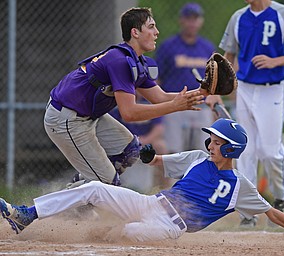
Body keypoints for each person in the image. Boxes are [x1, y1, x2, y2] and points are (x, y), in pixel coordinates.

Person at [1, 118, 284, 247]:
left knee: (127, 234)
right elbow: (157, 162)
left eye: (217, 142)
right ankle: (27, 214)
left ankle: (105, 234)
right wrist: (148, 153)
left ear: (232, 149)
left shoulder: (239, 186)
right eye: (211, 139)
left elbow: (272, 214)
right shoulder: (197, 157)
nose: (210, 144)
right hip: (152, 203)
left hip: (170, 228)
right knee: (94, 189)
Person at [43, 7, 204, 187]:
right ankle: (40, 211)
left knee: (130, 151)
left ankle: (84, 186)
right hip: (66, 118)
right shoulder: (120, 61)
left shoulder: (137, 61)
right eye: (151, 27)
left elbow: (160, 96)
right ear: (135, 32)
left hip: (88, 116)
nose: (156, 32)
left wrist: (204, 92)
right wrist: (176, 106)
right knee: (107, 182)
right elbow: (129, 113)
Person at [219, 0, 284, 226]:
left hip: (273, 89)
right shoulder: (238, 17)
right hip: (245, 88)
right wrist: (217, 89)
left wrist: (275, 61)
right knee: (244, 150)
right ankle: (248, 211)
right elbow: (228, 55)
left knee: (269, 151)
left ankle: (281, 195)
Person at [155, 2, 222, 153]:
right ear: (181, 20)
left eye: (195, 18)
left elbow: (213, 80)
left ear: (201, 21)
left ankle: (198, 177)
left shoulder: (207, 48)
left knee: (203, 150)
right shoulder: (169, 46)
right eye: (188, 18)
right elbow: (157, 79)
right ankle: (175, 178)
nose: (192, 23)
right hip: (175, 105)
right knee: (174, 150)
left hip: (201, 106)